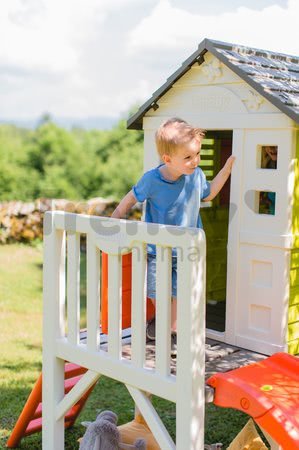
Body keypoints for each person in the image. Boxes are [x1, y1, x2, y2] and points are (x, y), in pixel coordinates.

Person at [111, 117, 235, 356]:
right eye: (188, 158)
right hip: (159, 250)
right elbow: (131, 198)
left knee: (179, 293)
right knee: (159, 292)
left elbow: (208, 195)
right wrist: (115, 220)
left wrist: (226, 169)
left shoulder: (196, 175)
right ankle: (162, 327)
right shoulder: (152, 179)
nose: (195, 161)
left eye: (197, 154)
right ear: (167, 159)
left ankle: (171, 334)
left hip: (187, 251)